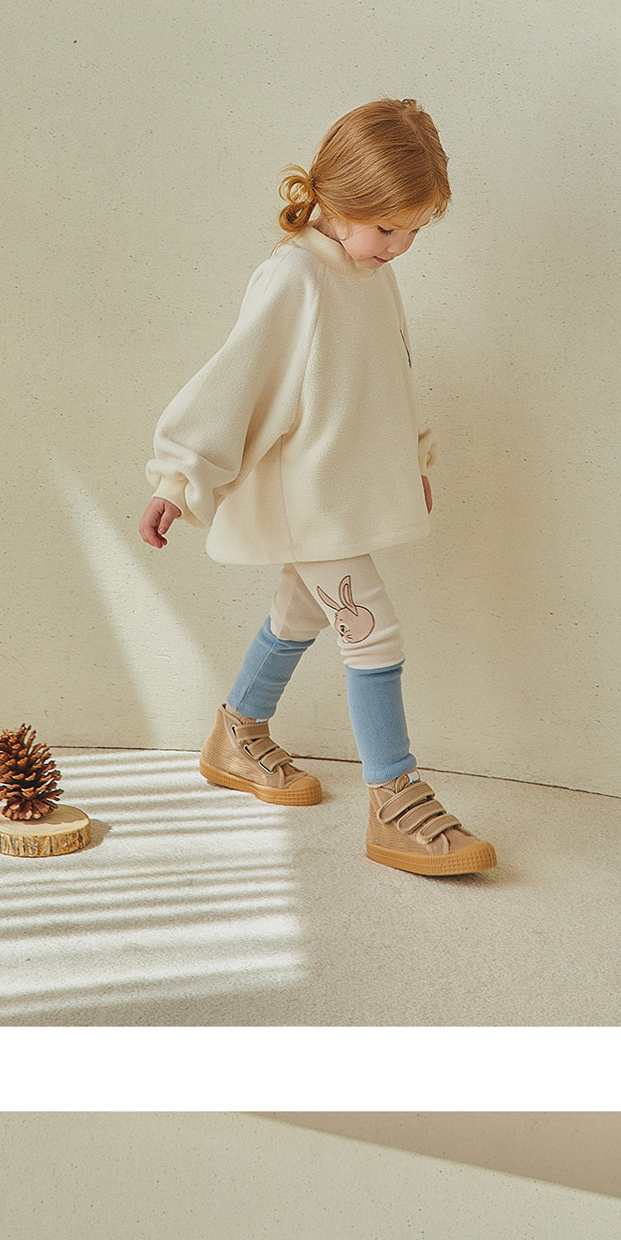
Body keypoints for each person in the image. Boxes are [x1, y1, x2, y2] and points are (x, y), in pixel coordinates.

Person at [139, 98, 498, 878]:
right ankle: (393, 798)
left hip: (340, 497)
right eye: (387, 228)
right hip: (307, 502)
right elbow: (234, 382)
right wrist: (179, 478)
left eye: (414, 230)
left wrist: (413, 463)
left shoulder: (370, 274)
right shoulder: (295, 275)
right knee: (371, 628)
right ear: (338, 200)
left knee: (300, 611)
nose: (400, 248)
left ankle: (236, 733)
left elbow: (391, 377)